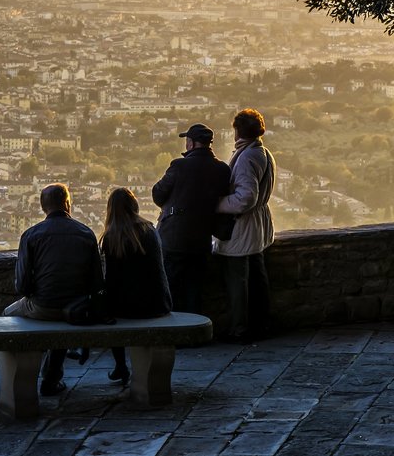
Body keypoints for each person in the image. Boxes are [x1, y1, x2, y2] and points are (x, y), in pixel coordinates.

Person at [5, 182, 104, 396]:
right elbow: (97, 283)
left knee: (7, 317)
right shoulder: (86, 233)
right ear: (68, 204)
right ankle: (50, 378)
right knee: (61, 316)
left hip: (43, 306)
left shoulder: (31, 235)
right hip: (77, 308)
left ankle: (19, 380)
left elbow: (22, 285)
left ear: (43, 207)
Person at [152, 122, 231, 313]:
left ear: (192, 144)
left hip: (174, 238)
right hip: (202, 238)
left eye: (187, 140)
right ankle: (195, 333)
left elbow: (158, 194)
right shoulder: (222, 170)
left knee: (171, 289)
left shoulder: (179, 165)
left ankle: (174, 332)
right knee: (194, 290)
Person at [215, 108, 276, 343]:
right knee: (258, 279)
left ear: (238, 131)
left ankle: (239, 330)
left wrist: (218, 204)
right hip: (258, 227)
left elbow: (246, 197)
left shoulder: (247, 158)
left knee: (237, 281)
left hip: (242, 229)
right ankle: (262, 324)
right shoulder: (263, 152)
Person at [100, 187, 172, 386]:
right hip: (159, 302)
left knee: (108, 309)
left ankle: (120, 365)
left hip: (128, 307)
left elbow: (112, 280)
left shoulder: (112, 237)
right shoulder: (150, 229)